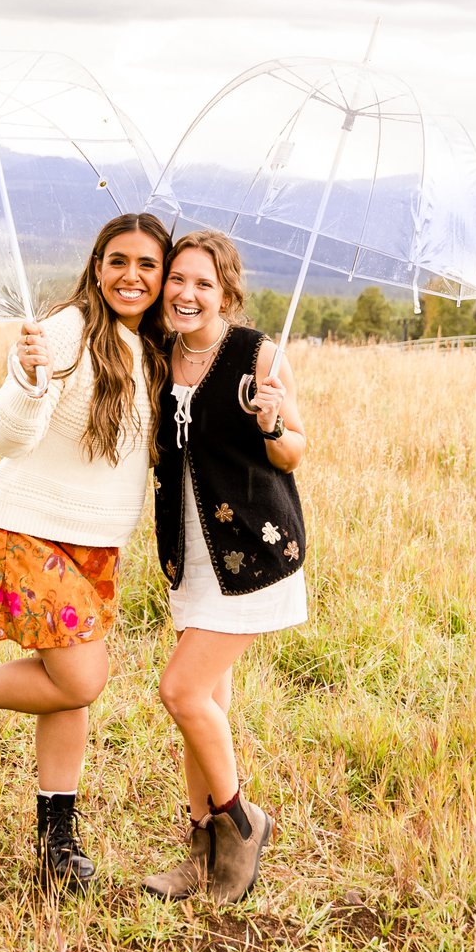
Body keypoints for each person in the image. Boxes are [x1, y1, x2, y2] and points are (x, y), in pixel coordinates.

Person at [0, 212, 171, 892]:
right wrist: (27, 383)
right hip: (29, 528)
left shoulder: (156, 349)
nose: (131, 276)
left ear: (164, 275)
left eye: (147, 264)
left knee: (65, 692)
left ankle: (57, 842)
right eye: (118, 261)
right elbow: (5, 434)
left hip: (96, 543)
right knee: (81, 679)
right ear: (97, 265)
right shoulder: (63, 331)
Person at [145, 230, 307, 904]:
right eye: (177, 280)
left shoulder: (257, 355)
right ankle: (202, 848)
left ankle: (243, 822)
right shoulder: (156, 356)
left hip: (256, 554)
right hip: (191, 558)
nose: (187, 293)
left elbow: (295, 451)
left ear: (227, 292)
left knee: (181, 691)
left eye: (203, 284)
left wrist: (273, 423)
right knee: (204, 705)